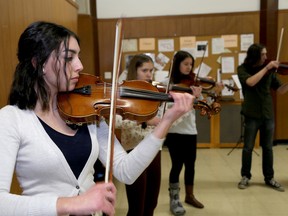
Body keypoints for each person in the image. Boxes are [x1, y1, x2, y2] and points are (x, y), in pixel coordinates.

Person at [0, 21, 195, 216]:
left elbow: (125, 171)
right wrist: (72, 204)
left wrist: (167, 120)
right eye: (69, 58)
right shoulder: (11, 119)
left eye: (78, 56)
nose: (80, 65)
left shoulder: (88, 113)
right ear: (38, 63)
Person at [237, 43, 288, 192]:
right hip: (251, 114)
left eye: (266, 54)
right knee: (248, 148)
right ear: (255, 56)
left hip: (267, 114)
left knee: (268, 148)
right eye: (263, 55)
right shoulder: (243, 69)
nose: (266, 57)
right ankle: (245, 176)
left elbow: (280, 90)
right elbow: (250, 82)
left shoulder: (271, 71)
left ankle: (269, 178)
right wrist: (266, 68)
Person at [116, 54, 162, 216]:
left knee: (152, 202)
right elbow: (115, 121)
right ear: (134, 72)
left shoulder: (153, 92)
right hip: (133, 149)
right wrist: (143, 119)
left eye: (151, 70)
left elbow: (161, 120)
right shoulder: (123, 93)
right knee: (137, 205)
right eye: (145, 70)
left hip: (153, 148)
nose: (149, 75)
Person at [162, 50, 205, 216]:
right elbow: (163, 106)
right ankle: (174, 198)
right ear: (177, 64)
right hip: (174, 131)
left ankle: (190, 195)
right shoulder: (168, 83)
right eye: (186, 64)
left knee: (191, 164)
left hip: (190, 130)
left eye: (191, 64)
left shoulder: (193, 84)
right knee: (177, 165)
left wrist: (199, 97)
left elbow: (201, 106)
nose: (189, 67)